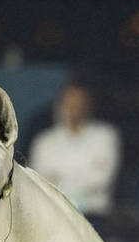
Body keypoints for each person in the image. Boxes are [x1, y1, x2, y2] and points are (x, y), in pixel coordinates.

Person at [28, 83, 120, 228]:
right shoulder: (44, 142)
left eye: (80, 103)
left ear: (88, 105)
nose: (75, 108)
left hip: (95, 217)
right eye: (71, 103)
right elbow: (39, 182)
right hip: (55, 215)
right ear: (61, 105)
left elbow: (102, 180)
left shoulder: (105, 136)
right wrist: (81, 179)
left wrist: (60, 179)